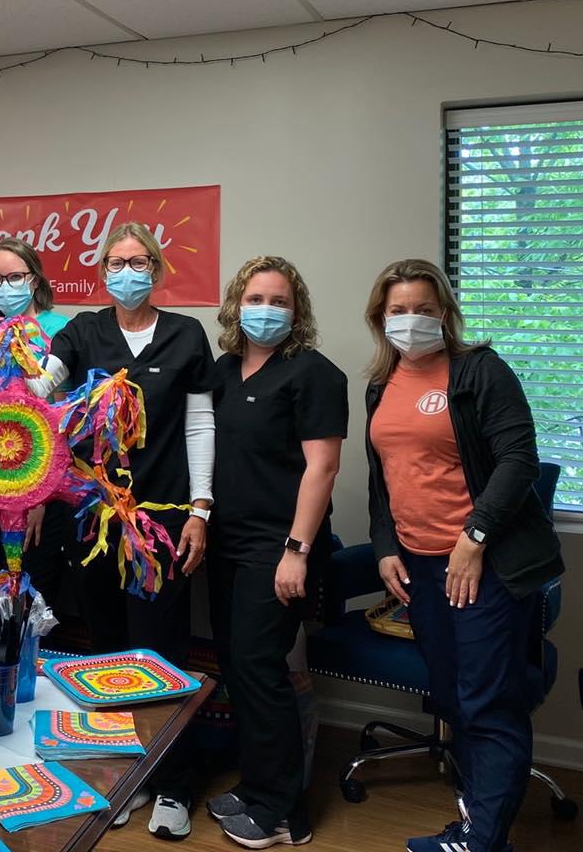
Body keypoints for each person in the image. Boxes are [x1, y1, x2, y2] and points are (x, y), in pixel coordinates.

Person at [364, 259, 563, 852]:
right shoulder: (381, 383)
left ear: (446, 312)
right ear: (381, 318)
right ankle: (479, 825)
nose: (412, 320)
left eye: (424, 309)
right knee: (451, 695)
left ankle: (482, 841)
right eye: (399, 311)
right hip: (420, 567)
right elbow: (383, 477)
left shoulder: (480, 371)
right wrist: (384, 547)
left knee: (487, 702)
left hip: (483, 565)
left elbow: (518, 461)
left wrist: (473, 539)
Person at [29, 221, 215, 840]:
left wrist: (200, 508)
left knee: (161, 653)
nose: (126, 272)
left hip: (160, 522)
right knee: (105, 651)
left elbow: (199, 427)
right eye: (115, 262)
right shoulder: (83, 332)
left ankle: (174, 782)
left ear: (156, 270)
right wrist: (16, 353)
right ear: (102, 271)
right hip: (94, 520)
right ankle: (125, 777)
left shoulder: (186, 335)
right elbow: (40, 391)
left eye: (138, 262)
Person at [206, 256, 347, 849]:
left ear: (297, 311)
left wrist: (297, 550)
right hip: (226, 542)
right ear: (236, 306)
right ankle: (258, 784)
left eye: (279, 301)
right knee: (237, 665)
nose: (266, 310)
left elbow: (323, 467)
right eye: (256, 299)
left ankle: (284, 812)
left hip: (279, 545)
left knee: (262, 667)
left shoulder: (313, 373)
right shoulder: (223, 371)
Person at [0, 236, 70, 607]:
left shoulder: (61, 330)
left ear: (35, 279)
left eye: (15, 276)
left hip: (43, 491)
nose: (5, 286)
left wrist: (38, 497)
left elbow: (63, 418)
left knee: (35, 599)